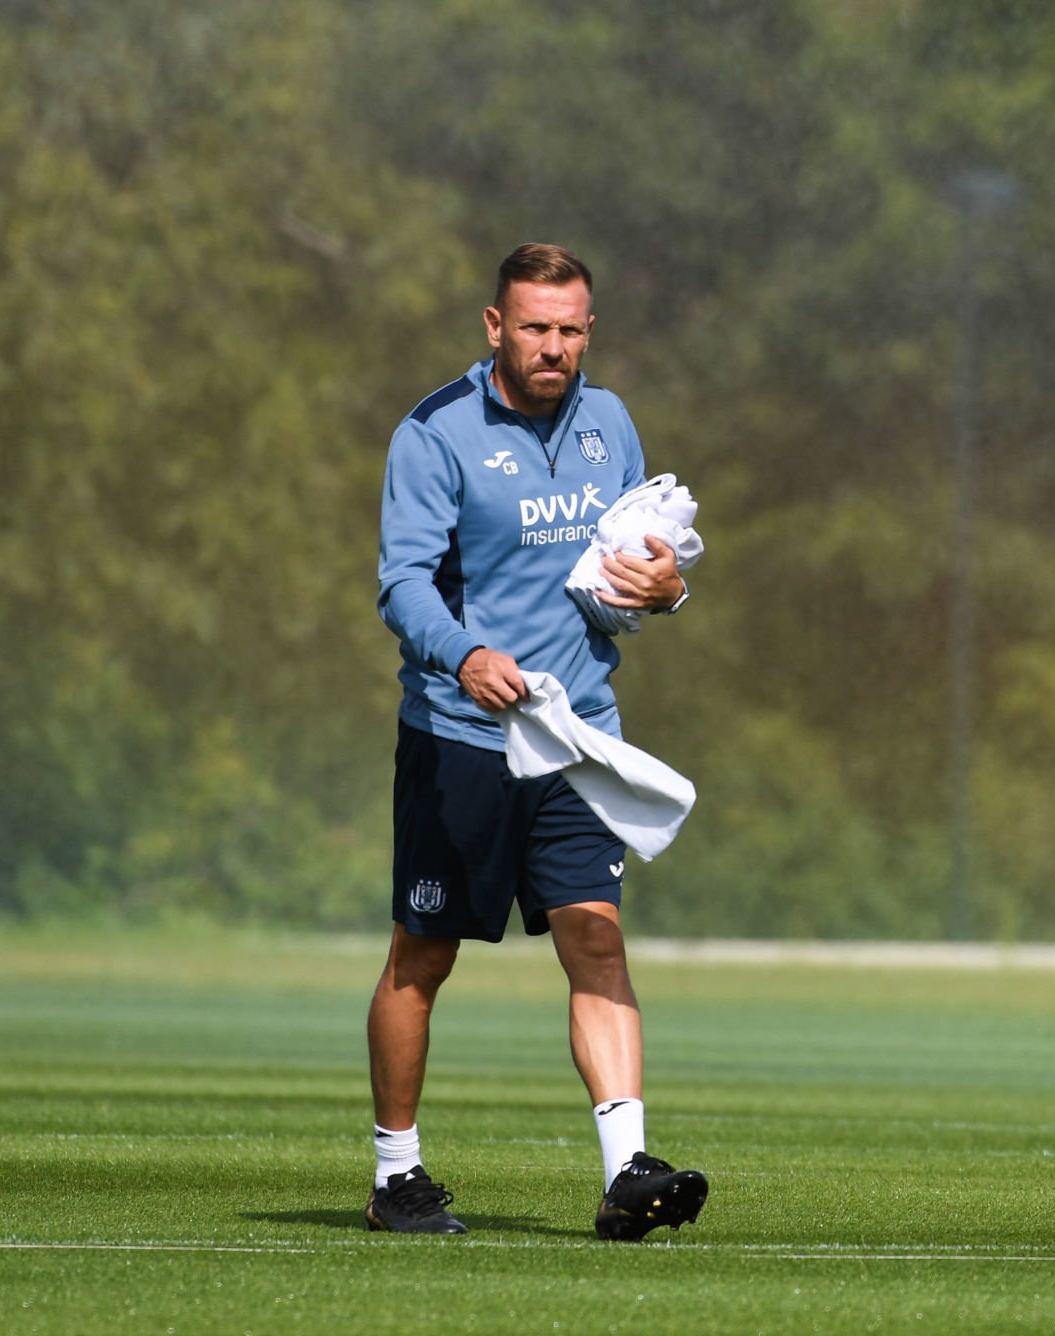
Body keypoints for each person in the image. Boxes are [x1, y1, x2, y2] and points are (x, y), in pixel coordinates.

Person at [364, 243, 707, 1240]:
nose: (552, 347)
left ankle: (626, 1173)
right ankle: (395, 1176)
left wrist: (667, 587)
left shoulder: (610, 424)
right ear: (494, 326)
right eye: (533, 328)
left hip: (575, 734)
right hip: (462, 736)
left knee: (594, 934)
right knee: (422, 957)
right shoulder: (435, 433)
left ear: (588, 331)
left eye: (568, 330)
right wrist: (465, 653)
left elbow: (626, 574)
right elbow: (402, 585)